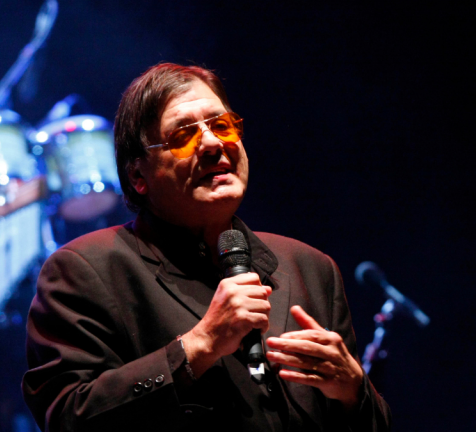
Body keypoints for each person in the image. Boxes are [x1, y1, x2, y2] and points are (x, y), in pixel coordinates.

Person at [22, 63, 392, 431]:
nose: (214, 143)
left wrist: (352, 390)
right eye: (183, 135)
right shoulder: (84, 269)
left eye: (222, 126)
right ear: (138, 176)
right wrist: (198, 346)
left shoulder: (309, 267)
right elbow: (70, 418)